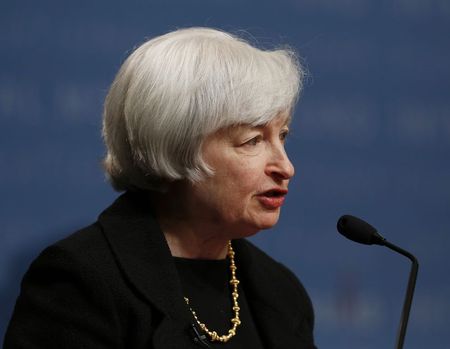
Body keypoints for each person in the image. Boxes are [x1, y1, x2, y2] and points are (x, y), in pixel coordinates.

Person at [4, 27, 316, 348]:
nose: (286, 167)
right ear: (177, 144)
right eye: (253, 140)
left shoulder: (280, 292)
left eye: (283, 136)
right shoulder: (81, 281)